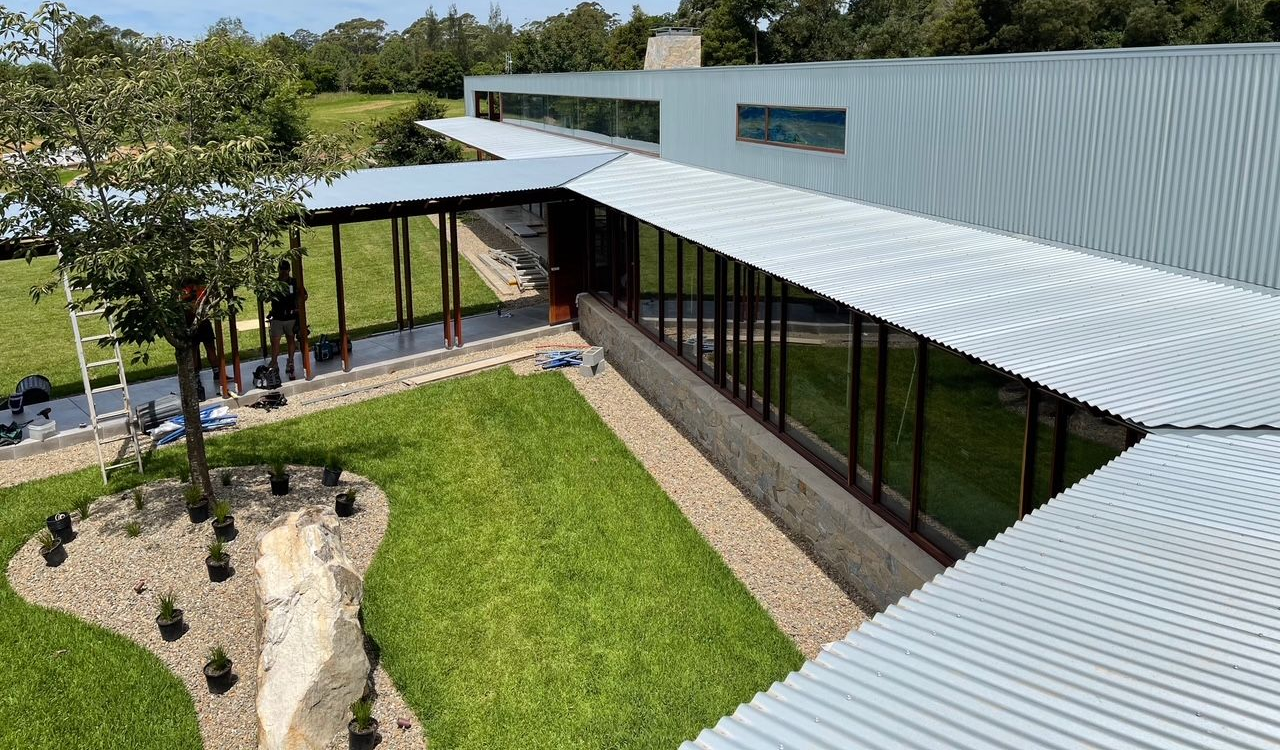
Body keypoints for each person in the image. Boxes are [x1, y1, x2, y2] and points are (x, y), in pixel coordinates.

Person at [268, 259, 306, 380]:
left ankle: (290, 362)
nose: (284, 273)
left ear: (289, 270)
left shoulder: (294, 282)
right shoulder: (274, 283)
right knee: (275, 342)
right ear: (279, 271)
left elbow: (304, 295)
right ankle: (274, 363)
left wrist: (297, 306)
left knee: (291, 340)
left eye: (286, 270)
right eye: (282, 270)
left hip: (290, 317)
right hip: (277, 317)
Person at [182, 279, 219, 398]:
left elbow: (206, 302)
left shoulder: (201, 289)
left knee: (210, 348)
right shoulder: (184, 291)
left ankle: (216, 372)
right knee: (194, 350)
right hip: (192, 323)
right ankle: (197, 375)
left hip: (203, 322)